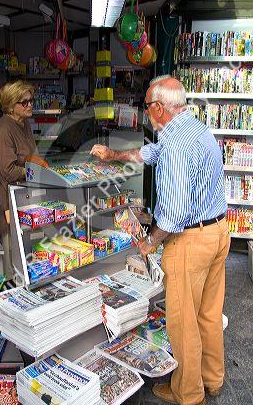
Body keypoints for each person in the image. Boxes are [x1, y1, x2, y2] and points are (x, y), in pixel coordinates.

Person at [90, 75, 230, 405]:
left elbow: (173, 213)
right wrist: (113, 155)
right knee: (208, 313)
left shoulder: (175, 144)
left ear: (158, 108)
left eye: (148, 107)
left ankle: (188, 393)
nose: (147, 113)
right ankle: (213, 379)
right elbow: (152, 153)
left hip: (190, 242)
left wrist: (149, 242)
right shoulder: (192, 128)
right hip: (218, 232)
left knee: (182, 323)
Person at [0, 80, 47, 285]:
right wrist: (34, 171)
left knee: (29, 255)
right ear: (11, 104)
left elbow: (32, 156)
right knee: (14, 259)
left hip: (27, 197)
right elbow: (8, 171)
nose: (30, 105)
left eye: (31, 100)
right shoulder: (3, 129)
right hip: (9, 200)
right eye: (25, 102)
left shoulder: (24, 124)